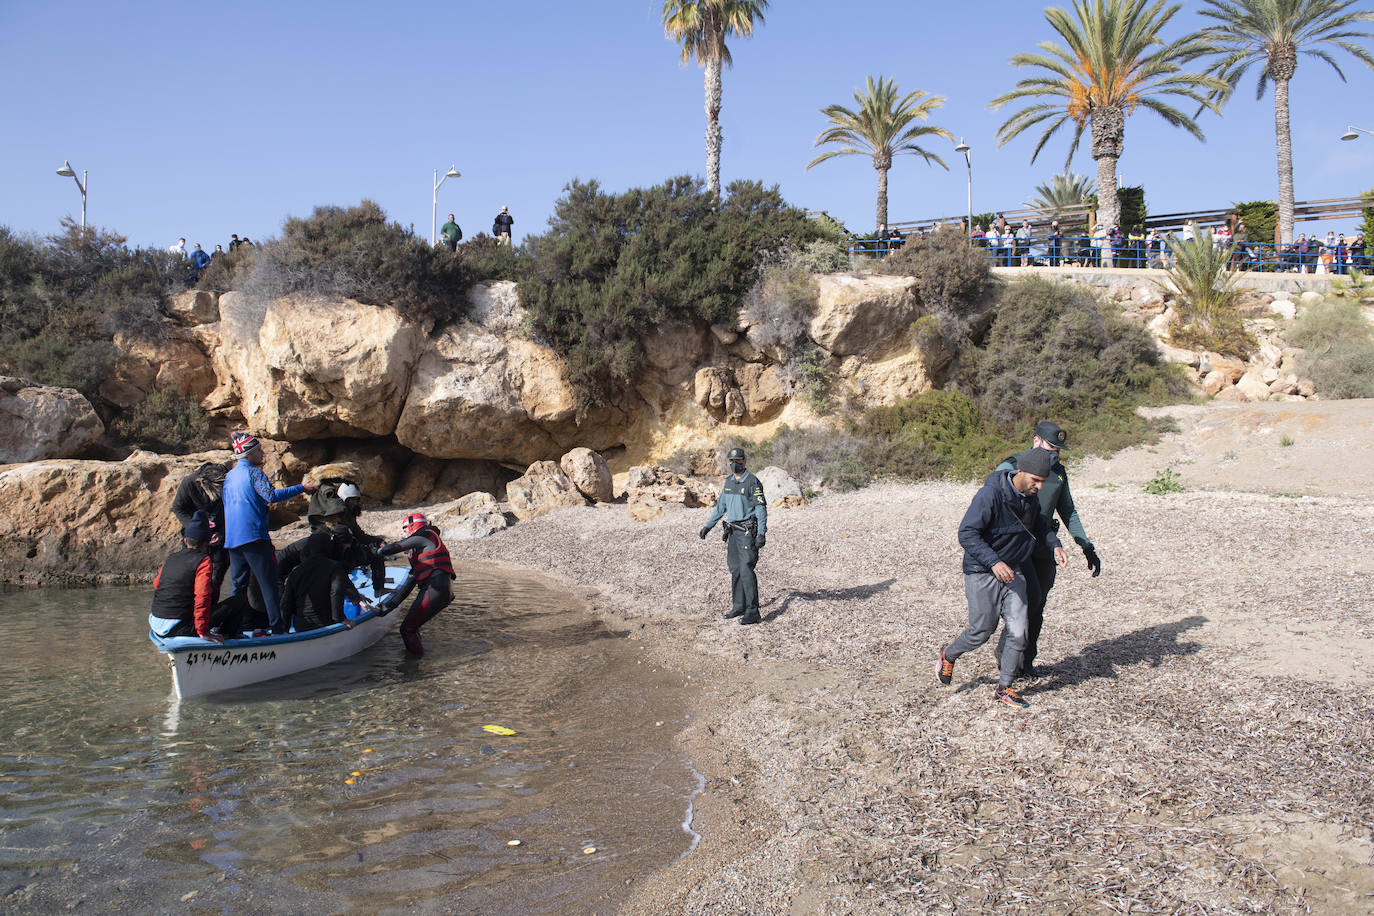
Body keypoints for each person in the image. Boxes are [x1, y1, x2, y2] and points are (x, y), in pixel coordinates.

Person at [937, 447, 1066, 709]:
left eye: (1043, 482)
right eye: (1035, 480)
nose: (1039, 487)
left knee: (1019, 631)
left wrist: (1055, 544)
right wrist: (994, 562)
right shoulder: (990, 495)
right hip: (982, 571)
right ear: (1020, 472)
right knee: (981, 631)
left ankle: (1004, 687)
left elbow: (1041, 526)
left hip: (1014, 571)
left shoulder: (1030, 498)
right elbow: (967, 533)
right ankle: (948, 654)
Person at [993, 422, 1101, 679]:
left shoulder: (1059, 473)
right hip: (1017, 546)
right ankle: (1008, 656)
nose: (1055, 453)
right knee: (1027, 599)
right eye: (1051, 447)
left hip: (1044, 544)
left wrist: (1086, 545)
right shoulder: (1012, 465)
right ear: (1036, 441)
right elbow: (992, 501)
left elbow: (1068, 510)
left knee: (1038, 603)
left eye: (1059, 449)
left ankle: (1027, 661)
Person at [223, 432, 315, 634]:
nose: (262, 453)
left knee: (237, 588)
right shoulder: (254, 473)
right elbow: (271, 496)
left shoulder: (229, 476)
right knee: (269, 585)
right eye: (258, 450)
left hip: (232, 540)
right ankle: (278, 629)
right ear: (249, 453)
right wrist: (302, 487)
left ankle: (233, 630)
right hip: (255, 538)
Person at [148, 510, 249, 642]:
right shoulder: (203, 560)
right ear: (207, 543)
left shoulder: (171, 558)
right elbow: (202, 596)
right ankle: (227, 637)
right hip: (178, 628)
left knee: (212, 590)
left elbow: (157, 584)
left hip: (156, 624)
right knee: (239, 600)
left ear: (185, 540)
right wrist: (202, 631)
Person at [697, 447, 769, 626]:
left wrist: (761, 533)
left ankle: (753, 611)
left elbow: (761, 509)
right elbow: (720, 507)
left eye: (738, 461)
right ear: (728, 462)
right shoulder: (728, 482)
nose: (735, 464)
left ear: (745, 461)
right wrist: (708, 526)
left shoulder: (753, 482)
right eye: (732, 461)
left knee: (746, 569)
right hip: (733, 532)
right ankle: (739, 606)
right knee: (735, 569)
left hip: (747, 533)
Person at [375, 513, 454, 655]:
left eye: (405, 529)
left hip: (435, 588)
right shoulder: (424, 546)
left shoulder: (425, 535)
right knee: (411, 627)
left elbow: (392, 548)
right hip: (442, 591)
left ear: (412, 526)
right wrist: (388, 607)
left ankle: (413, 669)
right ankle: (419, 657)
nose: (404, 533)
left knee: (407, 630)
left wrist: (378, 550)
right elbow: (409, 583)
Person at [280, 530, 373, 632]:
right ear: (329, 547)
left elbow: (286, 604)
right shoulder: (334, 566)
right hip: (325, 623)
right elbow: (337, 590)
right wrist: (340, 619)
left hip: (301, 626)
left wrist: (284, 629)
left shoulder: (296, 572)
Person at [172, 461, 230, 594]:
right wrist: (196, 529)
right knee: (190, 577)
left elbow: (233, 510)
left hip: (219, 537)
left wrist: (222, 532)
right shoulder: (189, 483)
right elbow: (178, 508)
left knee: (215, 581)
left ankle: (211, 609)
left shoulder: (228, 483)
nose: (216, 496)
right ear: (203, 483)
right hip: (194, 539)